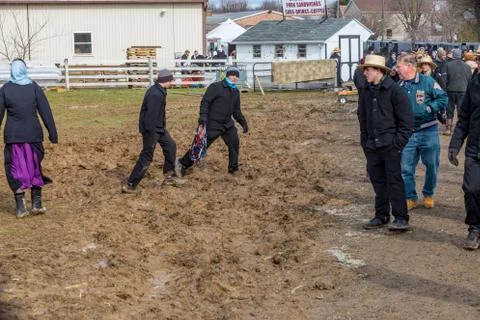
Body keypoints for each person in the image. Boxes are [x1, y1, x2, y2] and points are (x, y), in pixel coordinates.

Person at [357, 55, 414, 231]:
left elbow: (407, 122)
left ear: (379, 71)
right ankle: (381, 215)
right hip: (372, 145)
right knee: (378, 181)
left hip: (390, 145)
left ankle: (401, 217)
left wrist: (397, 144)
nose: (364, 72)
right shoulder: (366, 91)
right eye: (364, 69)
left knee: (394, 181)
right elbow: (363, 117)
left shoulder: (395, 91)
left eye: (368, 69)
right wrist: (365, 142)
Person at [0, 59, 58, 218]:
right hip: (33, 135)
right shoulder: (34, 88)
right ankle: (37, 204)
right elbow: (46, 111)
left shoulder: (5, 89)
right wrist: (53, 133)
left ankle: (21, 207)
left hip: (14, 137)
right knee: (34, 166)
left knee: (14, 169)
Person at [396, 53, 448, 210]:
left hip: (428, 131)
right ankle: (410, 197)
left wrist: (430, 107)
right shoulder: (399, 86)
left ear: (409, 66)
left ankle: (428, 194)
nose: (396, 69)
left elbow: (443, 98)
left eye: (399, 66)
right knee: (405, 168)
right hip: (407, 134)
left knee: (431, 165)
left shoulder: (428, 82)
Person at [175, 66, 248, 177]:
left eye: (236, 76)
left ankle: (233, 169)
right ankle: (182, 164)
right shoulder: (215, 87)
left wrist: (243, 122)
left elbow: (236, 110)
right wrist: (203, 116)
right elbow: (205, 102)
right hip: (213, 124)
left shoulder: (235, 91)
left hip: (227, 125)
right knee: (200, 146)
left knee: (234, 143)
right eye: (232, 75)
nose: (234, 78)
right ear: (227, 75)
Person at [122, 69, 182, 193]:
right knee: (147, 156)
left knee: (171, 146)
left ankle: (169, 176)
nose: (172, 83)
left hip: (159, 128)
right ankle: (130, 185)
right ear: (165, 81)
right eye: (171, 80)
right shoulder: (156, 94)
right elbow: (150, 116)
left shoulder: (160, 91)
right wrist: (151, 135)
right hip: (152, 130)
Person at [447, 68, 480, 250]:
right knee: (471, 189)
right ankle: (474, 228)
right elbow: (464, 117)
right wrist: (455, 144)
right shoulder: (474, 84)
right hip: (475, 149)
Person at [442, 48, 472, 135]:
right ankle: (460, 130)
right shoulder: (467, 67)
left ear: (453, 55)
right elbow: (470, 80)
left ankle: (448, 129)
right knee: (461, 110)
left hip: (450, 90)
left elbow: (444, 80)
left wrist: (444, 90)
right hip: (463, 90)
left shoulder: (447, 65)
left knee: (449, 110)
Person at [417, 55, 447, 124]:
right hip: (421, 101)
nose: (424, 66)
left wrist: (442, 109)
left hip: (433, 103)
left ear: (430, 65)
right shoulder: (418, 77)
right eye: (422, 64)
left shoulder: (437, 77)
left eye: (426, 64)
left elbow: (443, 91)